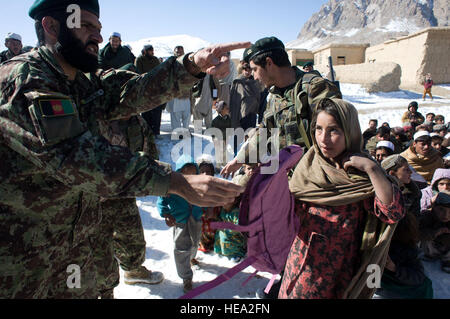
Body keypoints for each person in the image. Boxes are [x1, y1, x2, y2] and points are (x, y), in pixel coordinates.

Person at [0, 0, 248, 298]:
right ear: (51, 27)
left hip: (78, 249)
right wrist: (174, 182)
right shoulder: (24, 80)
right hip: (28, 263)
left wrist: (192, 64)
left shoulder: (82, 80)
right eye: (87, 26)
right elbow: (73, 156)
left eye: (99, 28)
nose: (99, 38)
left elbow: (137, 89)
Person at [280, 98, 405, 299]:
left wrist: (372, 169)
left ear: (350, 131)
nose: (323, 138)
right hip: (302, 264)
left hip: (342, 271)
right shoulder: (307, 166)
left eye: (334, 130)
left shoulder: (363, 172)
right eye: (318, 129)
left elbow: (393, 212)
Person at [221, 37, 342, 178]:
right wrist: (240, 159)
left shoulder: (314, 89)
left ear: (269, 63)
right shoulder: (274, 96)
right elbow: (264, 131)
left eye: (255, 69)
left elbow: (339, 133)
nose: (254, 76)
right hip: (288, 177)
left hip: (316, 179)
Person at [375, 155, 433, 299]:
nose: (410, 173)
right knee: (374, 275)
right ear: (392, 173)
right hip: (379, 241)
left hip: (402, 240)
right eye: (406, 170)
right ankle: (373, 289)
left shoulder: (413, 193)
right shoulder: (376, 192)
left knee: (419, 281)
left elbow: (414, 220)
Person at [157, 155, 204, 293]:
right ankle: (186, 277)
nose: (189, 173)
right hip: (181, 221)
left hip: (196, 219)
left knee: (195, 243)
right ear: (179, 172)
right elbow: (161, 201)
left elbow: (205, 198)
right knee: (181, 248)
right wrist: (165, 214)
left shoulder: (199, 185)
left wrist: (206, 209)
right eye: (185, 170)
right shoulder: (171, 187)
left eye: (192, 169)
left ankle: (192, 257)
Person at [135, 44, 166, 136]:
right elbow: (138, 73)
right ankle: (147, 134)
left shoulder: (155, 59)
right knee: (146, 113)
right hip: (145, 90)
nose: (152, 52)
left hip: (156, 90)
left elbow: (159, 71)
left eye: (153, 51)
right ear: (145, 51)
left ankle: (156, 132)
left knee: (156, 113)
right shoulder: (139, 60)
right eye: (150, 51)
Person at [229, 60, 264, 132]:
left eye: (249, 70)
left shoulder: (254, 81)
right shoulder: (237, 82)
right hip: (243, 112)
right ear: (242, 70)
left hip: (253, 113)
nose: (247, 72)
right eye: (246, 70)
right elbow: (234, 100)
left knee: (250, 135)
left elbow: (258, 94)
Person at [197, 158, 220, 253]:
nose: (205, 174)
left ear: (213, 173)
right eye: (202, 171)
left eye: (208, 171)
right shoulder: (195, 189)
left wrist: (215, 212)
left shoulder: (217, 187)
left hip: (214, 217)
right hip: (201, 218)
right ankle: (202, 243)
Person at [166, 46, 191, 132]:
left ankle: (185, 133)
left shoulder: (188, 64)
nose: (179, 53)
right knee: (175, 117)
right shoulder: (170, 64)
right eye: (177, 52)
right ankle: (177, 135)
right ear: (174, 53)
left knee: (186, 117)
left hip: (186, 94)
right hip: (175, 95)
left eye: (181, 52)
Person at [211, 100, 232, 167]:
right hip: (218, 139)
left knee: (225, 151)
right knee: (218, 152)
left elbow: (230, 127)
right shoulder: (216, 120)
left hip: (225, 138)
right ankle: (218, 165)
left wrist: (229, 135)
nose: (228, 109)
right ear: (221, 110)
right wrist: (214, 139)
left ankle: (224, 163)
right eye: (226, 108)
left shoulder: (228, 118)